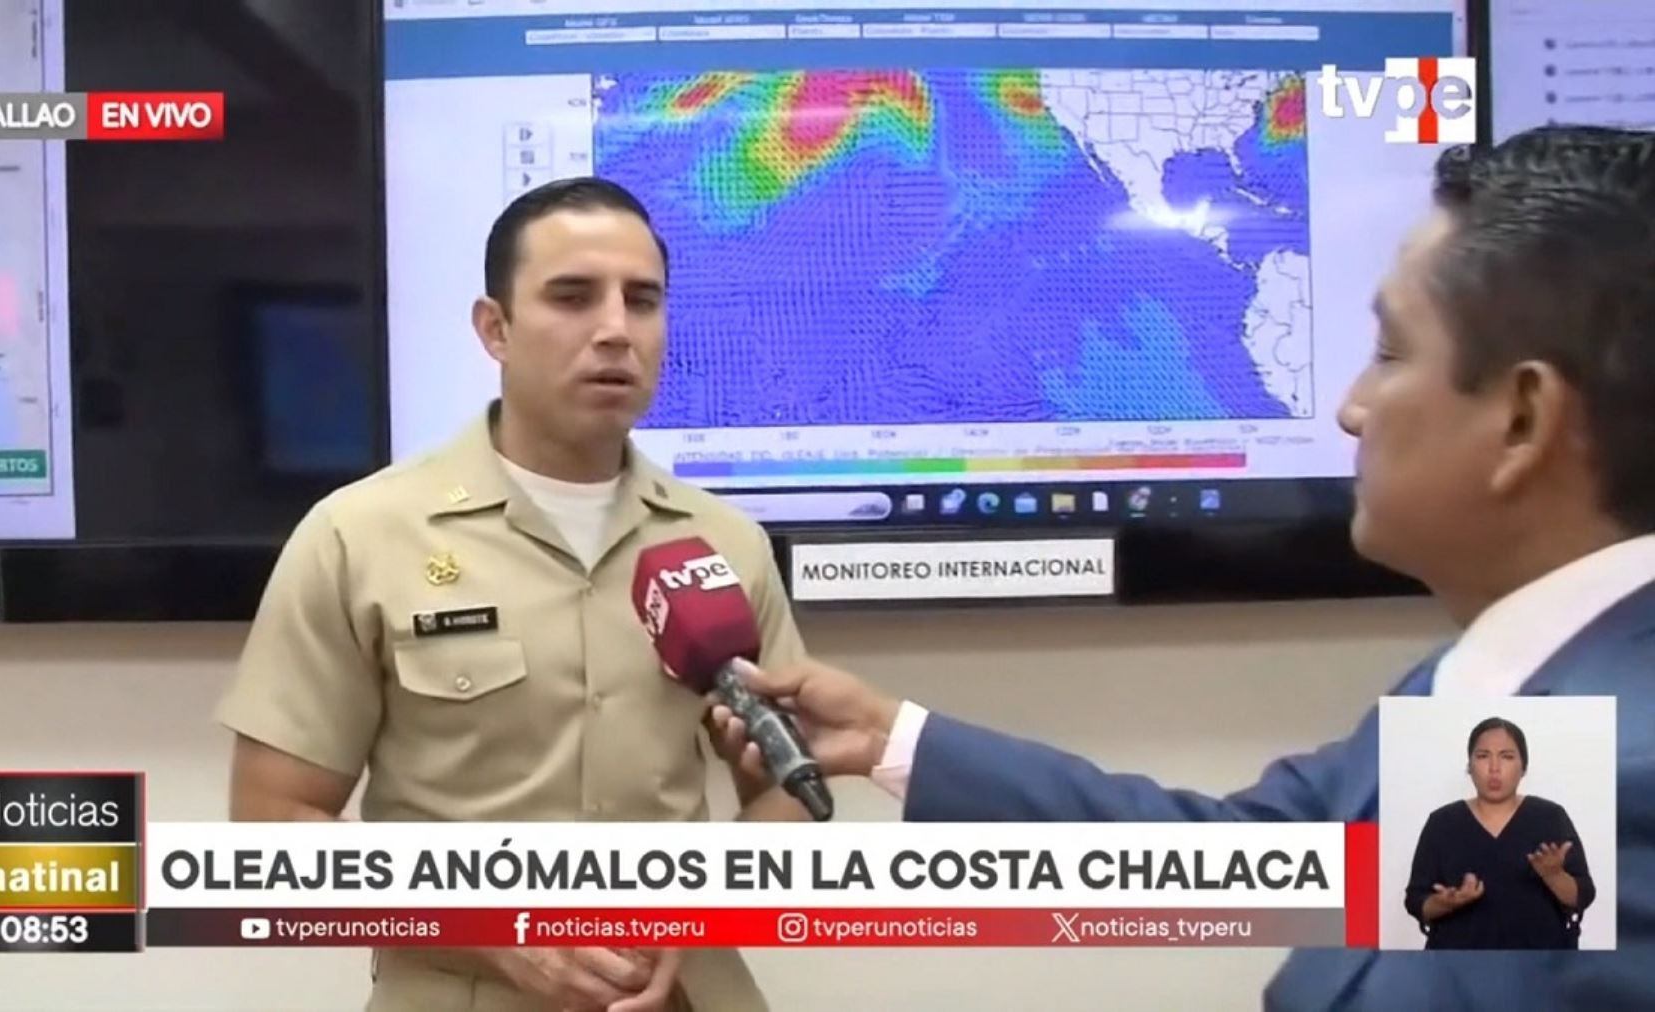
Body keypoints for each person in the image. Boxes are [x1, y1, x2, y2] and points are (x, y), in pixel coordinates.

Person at [719, 125, 1655, 1008]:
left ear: (1524, 419)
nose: (1353, 409)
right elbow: (1251, 857)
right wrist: (893, 740)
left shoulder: (1623, 779)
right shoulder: (1524, 694)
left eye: (1389, 352)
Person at [217, 177, 805, 1012]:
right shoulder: (360, 535)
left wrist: (700, 911)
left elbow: (792, 789)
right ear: (495, 327)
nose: (614, 331)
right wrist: (492, 927)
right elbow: (272, 825)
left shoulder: (726, 545)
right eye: (572, 297)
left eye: (642, 301)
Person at [1405, 717, 1596, 950]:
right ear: (1470, 766)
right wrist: (1445, 903)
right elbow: (1416, 901)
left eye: (1506, 756)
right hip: (1457, 971)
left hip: (1539, 969)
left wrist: (1554, 875)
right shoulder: (1442, 822)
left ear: (1523, 767)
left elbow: (1582, 896)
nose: (1494, 768)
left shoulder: (1550, 817)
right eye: (1483, 756)